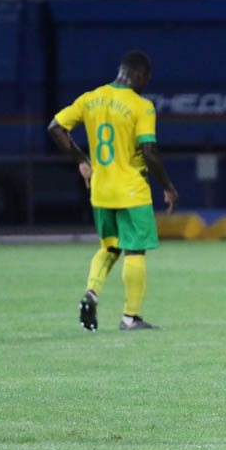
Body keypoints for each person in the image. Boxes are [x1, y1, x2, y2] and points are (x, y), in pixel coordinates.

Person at [47, 50, 179, 331]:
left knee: (108, 247)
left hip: (100, 190)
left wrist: (82, 160)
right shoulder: (141, 106)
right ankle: (131, 317)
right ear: (140, 76)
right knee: (135, 251)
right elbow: (149, 151)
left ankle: (92, 292)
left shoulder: (90, 98)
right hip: (131, 190)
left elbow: (55, 127)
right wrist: (168, 186)